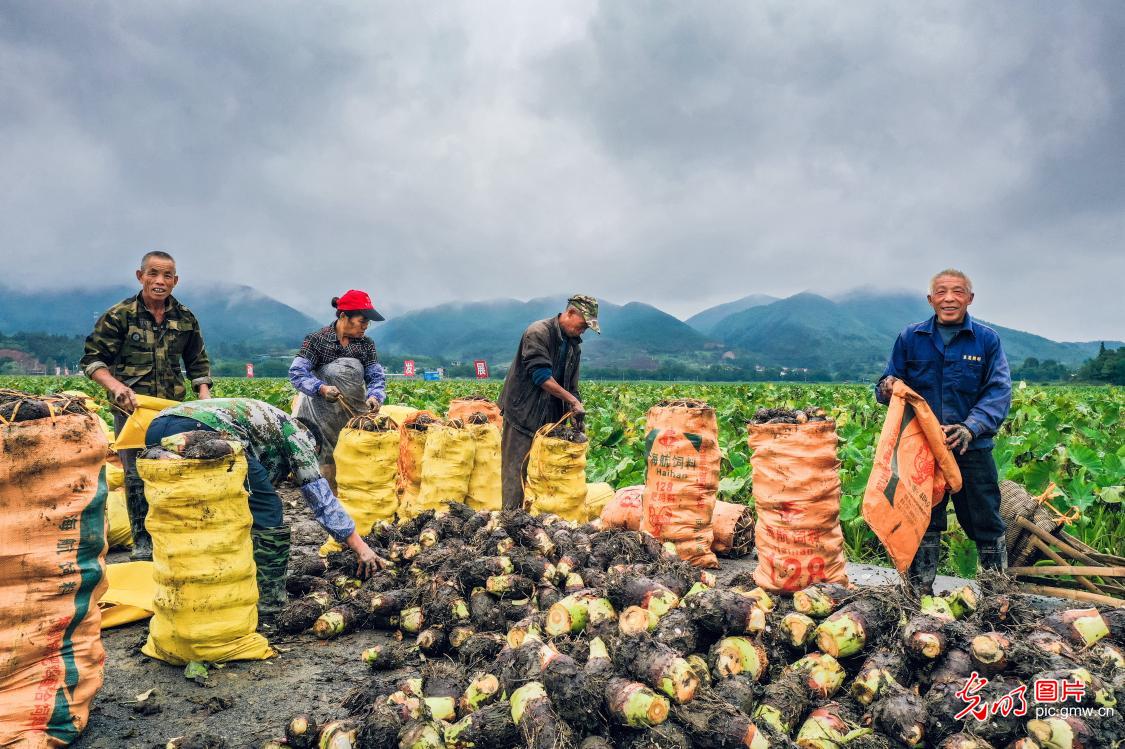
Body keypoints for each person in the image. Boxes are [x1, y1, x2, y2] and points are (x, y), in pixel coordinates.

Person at [145, 397, 385, 615]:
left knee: (200, 510)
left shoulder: (268, 429)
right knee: (269, 509)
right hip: (206, 432)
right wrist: (360, 547)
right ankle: (270, 600)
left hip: (157, 427)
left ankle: (201, 588)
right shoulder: (299, 435)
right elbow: (321, 500)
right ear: (313, 447)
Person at [876, 269, 1012, 595]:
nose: (949, 298)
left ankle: (997, 598)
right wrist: (888, 386)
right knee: (923, 520)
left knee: (986, 522)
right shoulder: (911, 338)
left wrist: (970, 427)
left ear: (969, 298)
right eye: (941, 292)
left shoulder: (986, 340)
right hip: (921, 451)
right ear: (930, 299)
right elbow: (885, 386)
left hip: (970, 448)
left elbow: (998, 392)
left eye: (957, 291)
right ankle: (917, 596)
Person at [80, 250, 212, 561]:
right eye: (153, 274)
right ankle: (143, 543)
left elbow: (197, 363)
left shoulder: (185, 318)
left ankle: (172, 537)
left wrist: (205, 398)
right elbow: (93, 361)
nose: (160, 281)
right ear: (141, 277)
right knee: (136, 475)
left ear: (175, 281)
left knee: (172, 469)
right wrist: (116, 386)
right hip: (131, 409)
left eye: (167, 276)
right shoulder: (119, 316)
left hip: (171, 409)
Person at [497, 295, 600, 511]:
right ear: (571, 313)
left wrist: (575, 410)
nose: (584, 331)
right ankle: (510, 520)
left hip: (550, 421)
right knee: (517, 471)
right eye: (583, 325)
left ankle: (538, 521)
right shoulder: (538, 332)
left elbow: (572, 386)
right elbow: (541, 376)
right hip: (522, 414)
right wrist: (571, 400)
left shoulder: (574, 347)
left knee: (546, 473)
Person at [289, 290, 387, 487]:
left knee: (358, 471)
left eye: (368, 322)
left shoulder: (366, 345)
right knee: (326, 472)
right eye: (362, 321)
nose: (366, 326)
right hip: (320, 417)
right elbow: (297, 372)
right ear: (344, 316)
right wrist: (321, 389)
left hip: (354, 416)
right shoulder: (317, 340)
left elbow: (375, 375)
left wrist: (375, 395)